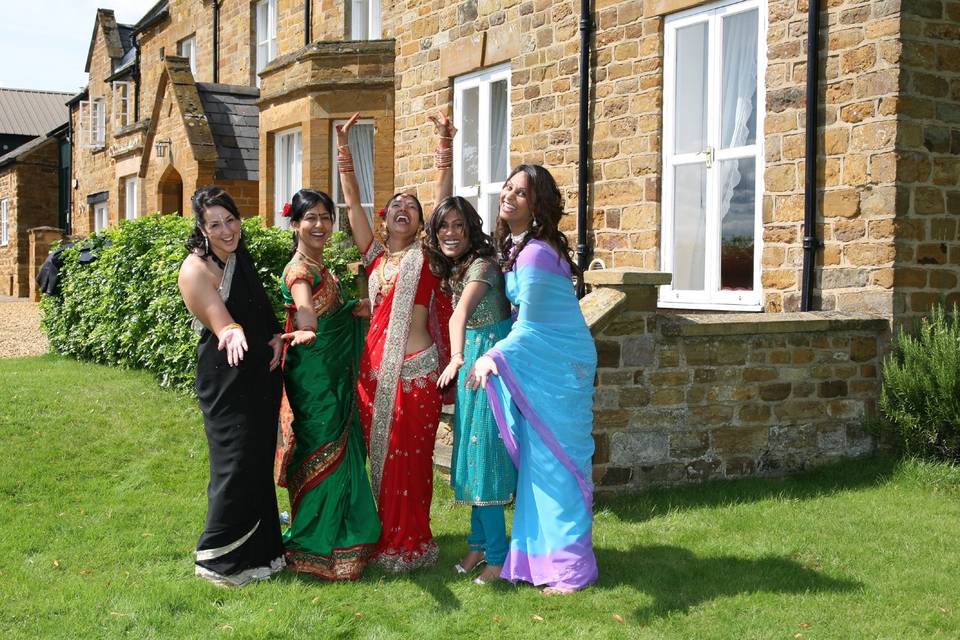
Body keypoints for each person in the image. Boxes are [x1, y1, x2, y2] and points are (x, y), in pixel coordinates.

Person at [472, 165, 598, 595]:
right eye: (507, 187)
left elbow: (534, 326)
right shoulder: (517, 247)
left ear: (538, 205)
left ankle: (572, 570)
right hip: (541, 363)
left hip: (560, 366)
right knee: (539, 468)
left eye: (521, 193)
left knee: (559, 466)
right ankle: (537, 561)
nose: (509, 195)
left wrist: (492, 357)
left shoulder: (536, 254)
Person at [338, 111, 454, 572]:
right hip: (375, 377)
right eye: (395, 205)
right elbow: (352, 210)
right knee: (384, 464)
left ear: (422, 223)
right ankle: (387, 538)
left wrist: (443, 146)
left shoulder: (426, 256)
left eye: (413, 205)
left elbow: (445, 200)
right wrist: (344, 152)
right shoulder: (376, 259)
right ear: (385, 221)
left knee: (416, 462)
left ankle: (414, 541)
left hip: (417, 375)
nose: (403, 207)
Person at [177, 186, 285, 587]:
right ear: (202, 229)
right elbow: (221, 320)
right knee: (234, 465)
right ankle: (217, 559)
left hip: (259, 375)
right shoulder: (195, 269)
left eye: (230, 220)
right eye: (215, 224)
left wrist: (275, 336)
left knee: (257, 464)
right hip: (225, 381)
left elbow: (259, 309)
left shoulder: (239, 256)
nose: (226, 230)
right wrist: (233, 332)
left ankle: (261, 557)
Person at [273, 188, 382, 580]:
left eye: (325, 217)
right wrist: (307, 327)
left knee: (338, 450)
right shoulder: (300, 270)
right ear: (295, 224)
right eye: (310, 219)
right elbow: (305, 310)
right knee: (321, 450)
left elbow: (327, 310)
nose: (319, 225)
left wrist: (353, 310)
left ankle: (340, 535)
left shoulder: (321, 264)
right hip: (315, 380)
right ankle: (313, 543)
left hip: (332, 374)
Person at [426, 196, 516, 586]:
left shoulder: (482, 265)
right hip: (473, 370)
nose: (450, 233)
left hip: (488, 368)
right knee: (472, 456)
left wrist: (457, 357)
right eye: (443, 225)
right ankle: (478, 544)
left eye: (458, 226)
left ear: (470, 229)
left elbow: (461, 313)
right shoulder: (459, 267)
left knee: (487, 462)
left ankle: (498, 557)